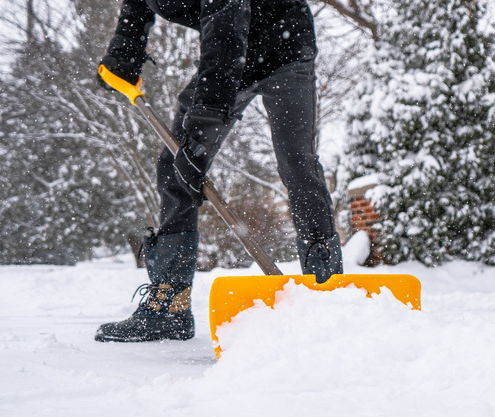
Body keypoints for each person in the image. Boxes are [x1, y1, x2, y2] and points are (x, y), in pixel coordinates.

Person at [94, 0, 343, 342]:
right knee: (175, 163)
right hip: (230, 52)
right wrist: (124, 52)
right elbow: (136, 9)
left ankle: (328, 287)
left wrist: (207, 119)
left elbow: (226, 28)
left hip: (284, 44)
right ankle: (171, 304)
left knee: (296, 161)